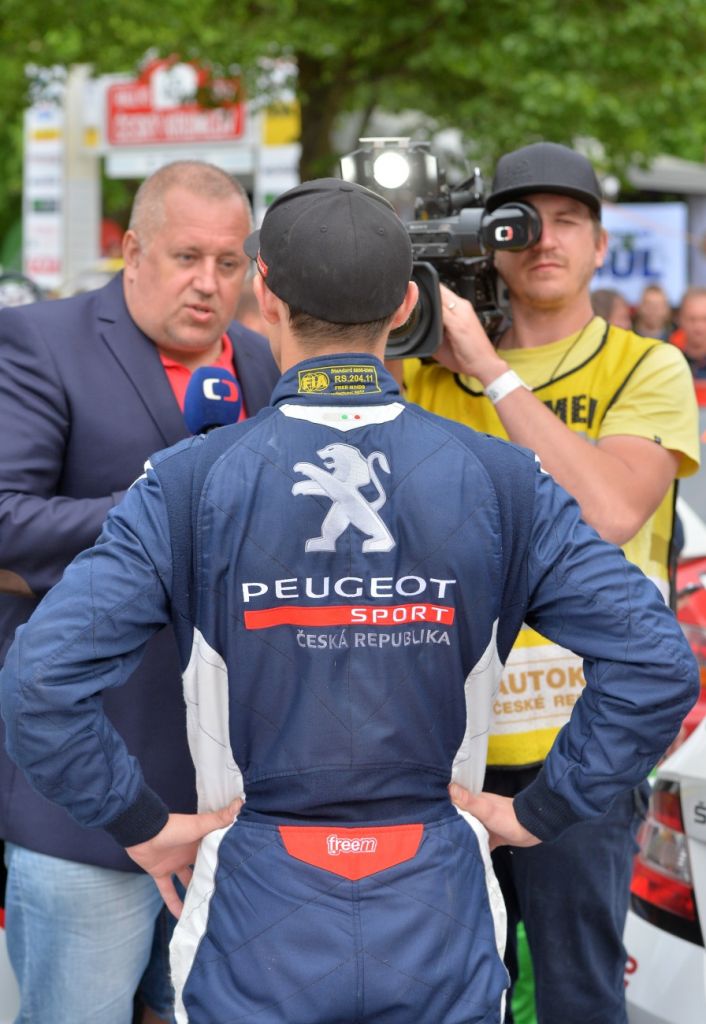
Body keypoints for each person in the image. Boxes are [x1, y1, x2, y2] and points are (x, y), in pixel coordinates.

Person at [0, 177, 699, 1024]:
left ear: (264, 295)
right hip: (438, 901)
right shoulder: (504, 478)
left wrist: (138, 821)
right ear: (405, 304)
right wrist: (544, 809)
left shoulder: (185, 484)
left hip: (254, 903)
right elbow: (656, 661)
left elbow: (40, 680)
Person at [404, 141, 700, 1024]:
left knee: (579, 997)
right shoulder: (422, 370)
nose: (544, 239)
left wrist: (490, 372)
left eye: (569, 220)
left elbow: (608, 510)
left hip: (584, 746)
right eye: (519, 221)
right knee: (453, 997)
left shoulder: (646, 365)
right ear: (484, 241)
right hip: (447, 744)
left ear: (602, 246)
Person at [0, 160, 279, 1024]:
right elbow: (6, 519)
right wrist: (166, 506)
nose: (209, 283)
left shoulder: (265, 359)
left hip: (239, 802)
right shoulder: (40, 340)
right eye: (187, 257)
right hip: (90, 799)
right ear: (132, 251)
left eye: (229, 263)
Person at [670, 286, 706, 377]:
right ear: (679, 319)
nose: (699, 328)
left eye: (704, 319)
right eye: (692, 319)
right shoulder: (668, 358)